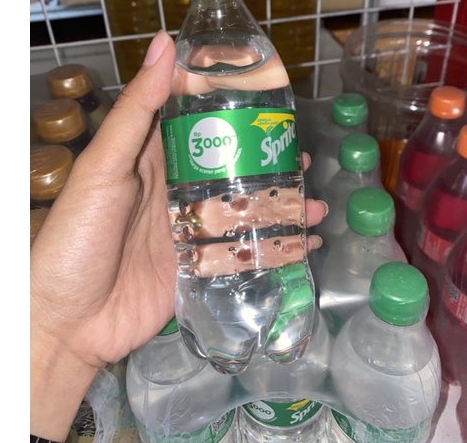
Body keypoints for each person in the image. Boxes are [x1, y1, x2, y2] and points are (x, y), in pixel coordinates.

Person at [30, 31, 329, 443]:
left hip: (252, 264)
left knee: (275, 207)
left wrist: (56, 340)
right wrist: (56, 333)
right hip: (202, 276)